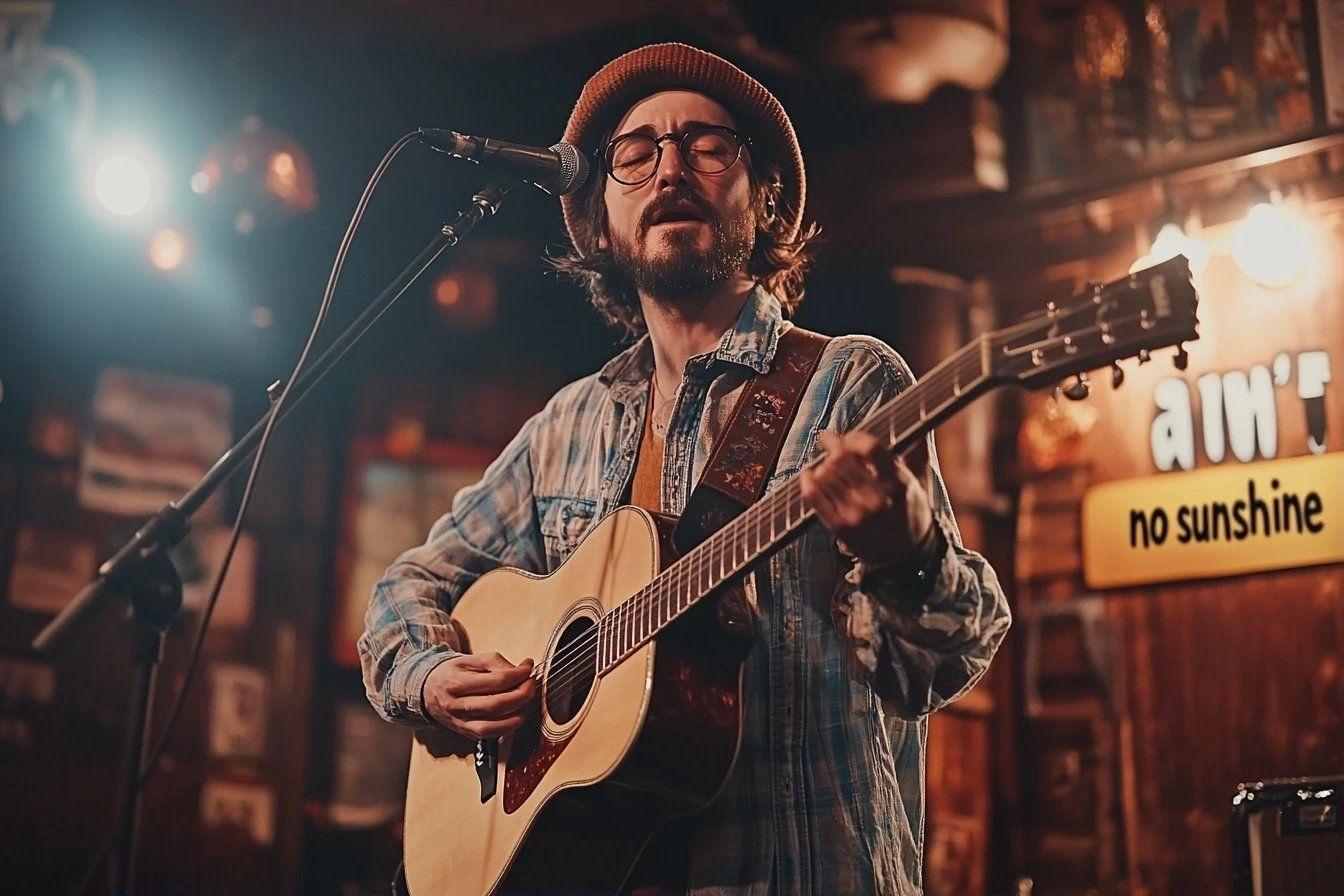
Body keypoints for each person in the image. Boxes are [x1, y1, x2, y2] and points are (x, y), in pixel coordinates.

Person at [360, 42, 1011, 896]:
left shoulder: (847, 383)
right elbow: (407, 586)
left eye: (709, 146)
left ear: (762, 198)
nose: (671, 169)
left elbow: (934, 669)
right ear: (598, 219)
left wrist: (907, 552)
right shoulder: (569, 426)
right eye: (636, 155)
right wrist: (434, 676)